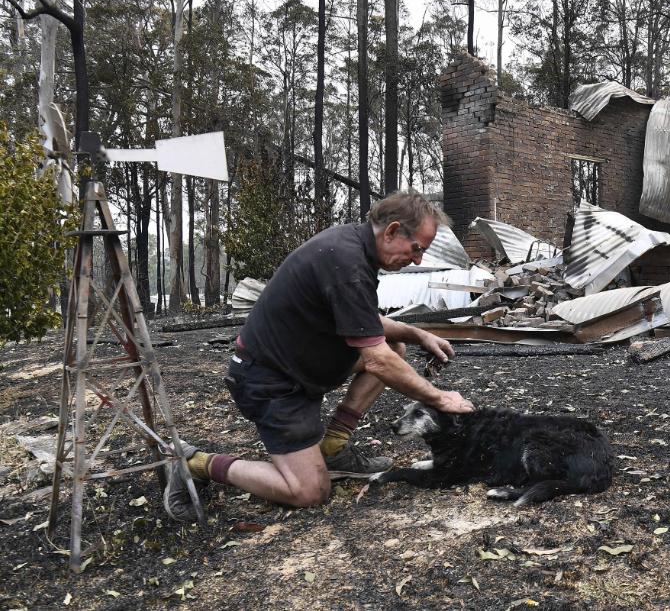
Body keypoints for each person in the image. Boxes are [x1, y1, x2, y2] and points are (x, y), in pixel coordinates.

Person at [164, 190, 475, 520]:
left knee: (394, 347)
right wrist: (440, 399)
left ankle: (333, 449)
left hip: (296, 366)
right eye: (417, 249)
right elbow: (377, 360)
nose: (418, 261)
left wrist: (416, 333)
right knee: (310, 491)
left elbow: (365, 321)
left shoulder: (351, 247)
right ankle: (195, 463)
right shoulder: (348, 264)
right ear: (393, 231)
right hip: (270, 381)